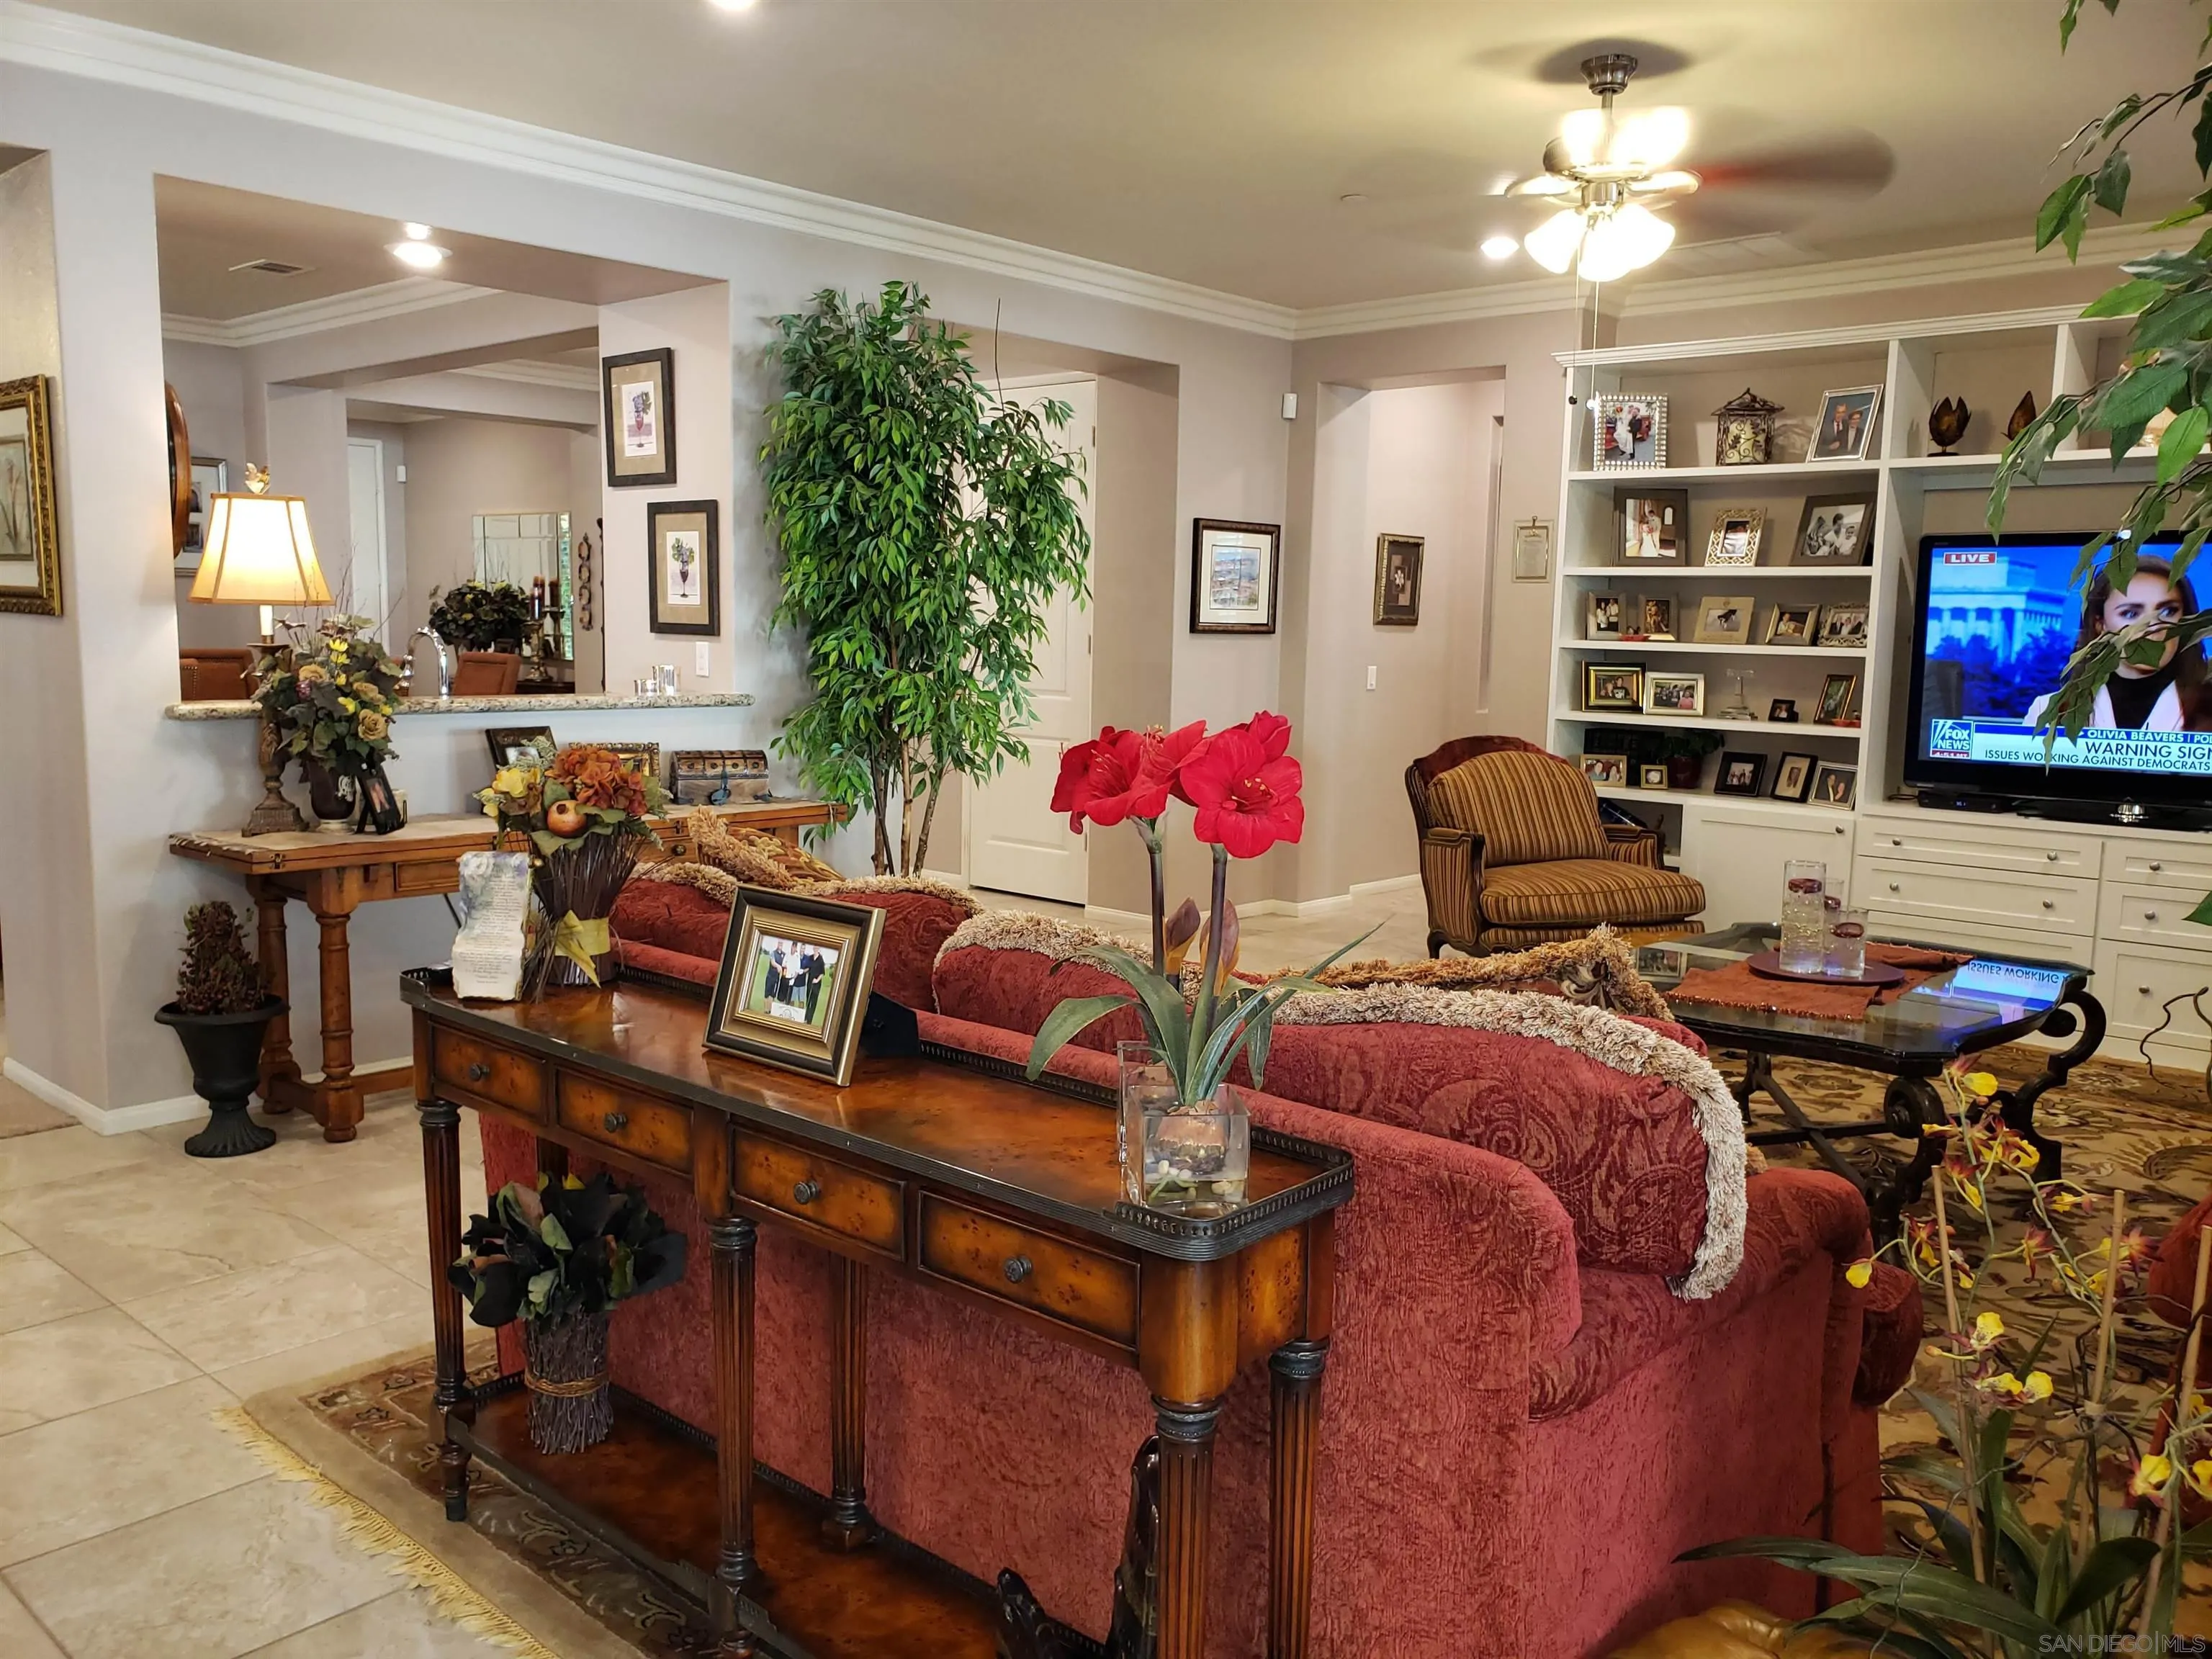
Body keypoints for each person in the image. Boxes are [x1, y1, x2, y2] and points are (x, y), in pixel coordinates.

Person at [2024, 555, 2209, 732]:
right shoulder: (2047, 712)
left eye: (2168, 611)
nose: (2152, 627)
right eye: (2131, 614)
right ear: (2100, 625)